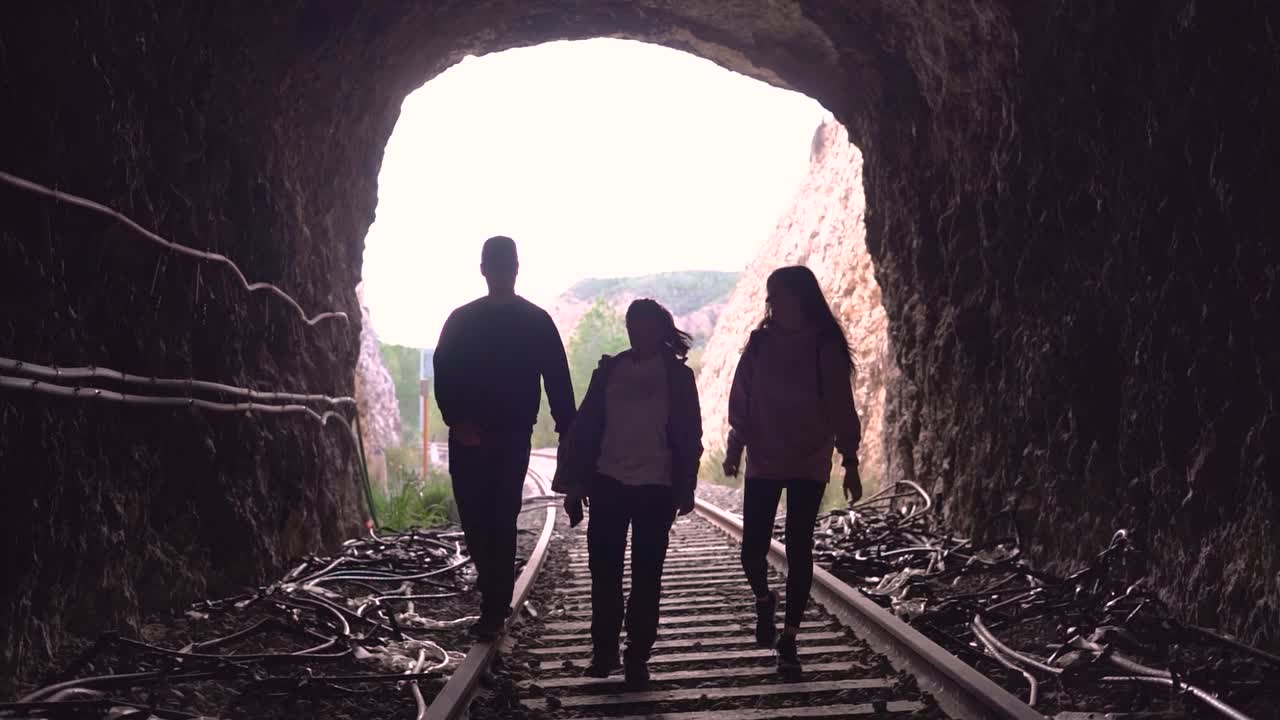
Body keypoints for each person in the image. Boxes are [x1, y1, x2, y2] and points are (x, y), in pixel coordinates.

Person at [551, 299, 703, 690]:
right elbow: (584, 431)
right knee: (604, 572)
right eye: (632, 326)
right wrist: (573, 485)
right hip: (608, 482)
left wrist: (686, 484)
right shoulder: (610, 371)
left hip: (657, 486)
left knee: (646, 575)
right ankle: (604, 651)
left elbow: (690, 436)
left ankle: (637, 655)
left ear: (660, 330)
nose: (638, 334)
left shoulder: (678, 377)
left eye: (645, 327)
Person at [433, 236, 576, 639]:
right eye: (497, 265)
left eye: (501, 265)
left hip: (502, 435)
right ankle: (494, 594)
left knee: (493, 517)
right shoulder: (530, 320)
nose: (499, 271)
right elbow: (557, 382)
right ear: (506, 268)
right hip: (483, 434)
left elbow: (557, 381)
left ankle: (494, 604)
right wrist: (458, 421)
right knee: (484, 519)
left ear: (503, 269)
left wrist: (569, 431)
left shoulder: (466, 320)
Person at [722, 265, 862, 673]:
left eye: (777, 294)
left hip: (808, 460)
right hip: (764, 458)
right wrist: (735, 449)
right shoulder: (760, 344)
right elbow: (741, 399)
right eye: (769, 295)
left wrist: (849, 461)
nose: (771, 302)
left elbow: (841, 405)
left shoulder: (824, 345)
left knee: (799, 548)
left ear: (801, 297)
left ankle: (789, 641)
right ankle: (765, 601)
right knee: (752, 550)